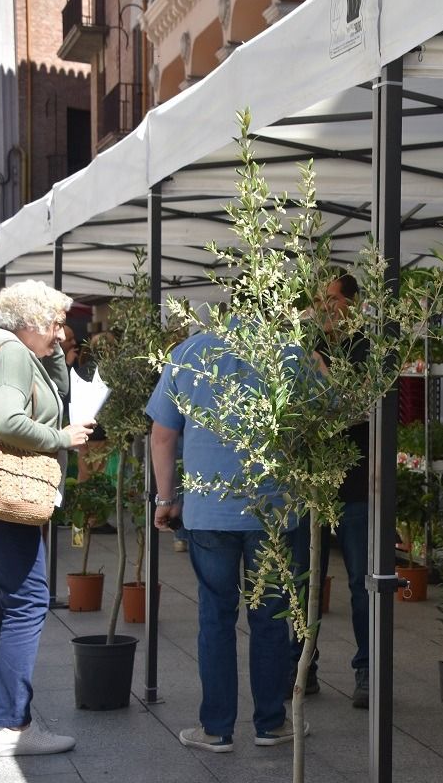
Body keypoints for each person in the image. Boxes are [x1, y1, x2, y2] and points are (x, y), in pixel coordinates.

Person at [0, 281, 93, 756]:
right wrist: (61, 438)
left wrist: (51, 352)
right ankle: (14, 727)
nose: (61, 333)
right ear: (30, 322)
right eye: (54, 324)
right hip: (5, 496)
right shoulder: (11, 352)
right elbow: (8, 419)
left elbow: (53, 389)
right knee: (29, 599)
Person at [147, 321, 302, 752]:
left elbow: (163, 435)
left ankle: (216, 729)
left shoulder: (187, 352)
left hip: (208, 509)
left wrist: (165, 499)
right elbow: (320, 421)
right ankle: (271, 724)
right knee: (270, 617)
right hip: (272, 510)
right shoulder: (288, 351)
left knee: (215, 617)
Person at [289, 274, 370, 708]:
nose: (323, 306)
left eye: (332, 298)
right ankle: (302, 667)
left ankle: (366, 673)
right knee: (304, 580)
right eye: (318, 299)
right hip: (308, 481)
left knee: (361, 581)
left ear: (353, 304)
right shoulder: (302, 342)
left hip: (353, 484)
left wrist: (323, 373)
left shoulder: (366, 349)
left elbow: (358, 409)